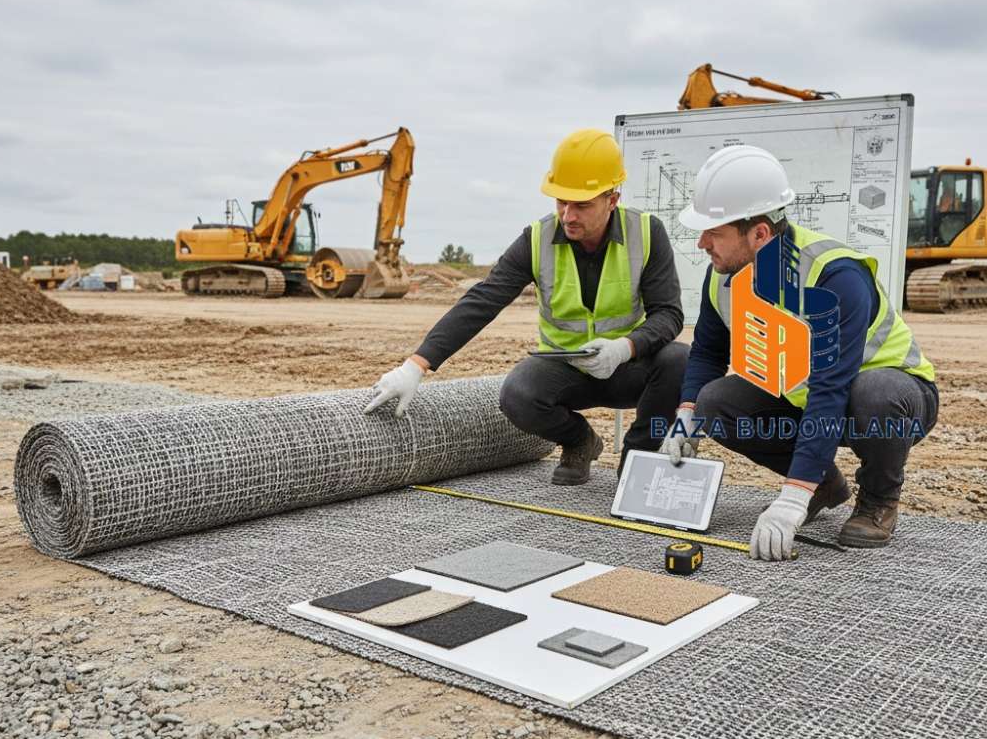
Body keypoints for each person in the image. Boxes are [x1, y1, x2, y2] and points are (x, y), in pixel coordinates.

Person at [365, 128, 689, 485]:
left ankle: (637, 460)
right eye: (560, 202)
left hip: (627, 367)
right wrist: (416, 365)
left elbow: (668, 314)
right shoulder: (536, 239)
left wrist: (625, 348)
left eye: (581, 204)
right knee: (517, 394)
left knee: (678, 360)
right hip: (566, 369)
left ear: (612, 199)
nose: (568, 215)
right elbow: (483, 300)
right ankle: (580, 441)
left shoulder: (645, 233)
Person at [660, 145, 938, 560]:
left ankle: (879, 500)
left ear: (759, 233)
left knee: (874, 393)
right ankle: (825, 486)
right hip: (806, 399)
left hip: (892, 397)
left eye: (713, 231)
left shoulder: (834, 276)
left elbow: (831, 388)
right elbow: (707, 352)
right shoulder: (724, 277)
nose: (701, 243)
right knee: (713, 402)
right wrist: (685, 414)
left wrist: (792, 496)